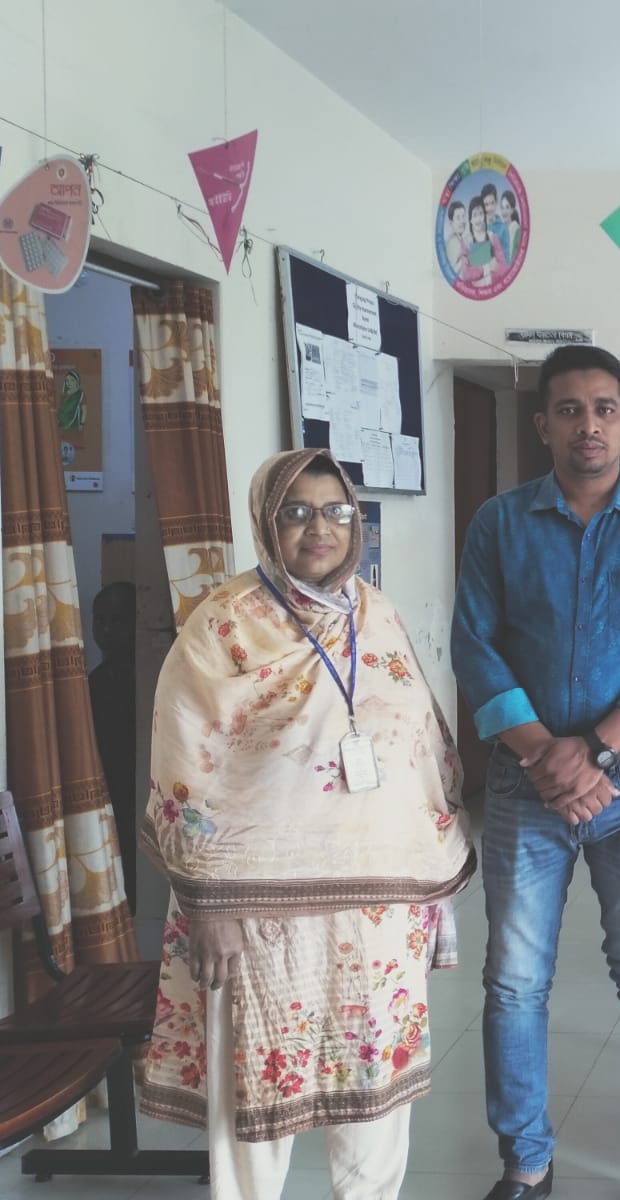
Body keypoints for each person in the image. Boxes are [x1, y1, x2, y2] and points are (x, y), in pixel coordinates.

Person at [140, 449, 474, 1200]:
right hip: (257, 910)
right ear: (267, 522)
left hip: (377, 904)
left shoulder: (377, 613)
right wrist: (209, 907)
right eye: (295, 512)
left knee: (376, 1095)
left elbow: (422, 746)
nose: (318, 527)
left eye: (335, 511)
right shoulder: (223, 624)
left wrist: (430, 885)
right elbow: (182, 767)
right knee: (256, 1096)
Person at [452, 344, 620, 1200]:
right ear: (544, 425)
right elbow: (474, 645)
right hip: (524, 783)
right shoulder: (498, 523)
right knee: (514, 980)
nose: (588, 425)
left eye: (604, 409)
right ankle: (525, 1162)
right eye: (570, 410)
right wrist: (542, 752)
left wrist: (594, 749)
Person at [88, 581, 137, 912]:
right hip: (107, 793)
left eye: (118, 621)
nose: (106, 631)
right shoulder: (94, 683)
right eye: (101, 620)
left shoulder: (149, 679)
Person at [458, 197, 509, 288]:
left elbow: (504, 269)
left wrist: (479, 271)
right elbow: (466, 275)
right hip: (474, 292)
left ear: (484, 216)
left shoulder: (493, 237)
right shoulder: (466, 242)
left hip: (493, 289)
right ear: (470, 219)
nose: (478, 219)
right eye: (475, 215)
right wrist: (487, 267)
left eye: (481, 214)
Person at [443, 200, 469, 278]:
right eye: (458, 218)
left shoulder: (460, 239)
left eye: (463, 216)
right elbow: (450, 273)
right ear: (451, 223)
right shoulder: (453, 242)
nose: (462, 221)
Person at [497, 190, 522, 264]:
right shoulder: (501, 230)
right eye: (502, 207)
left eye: (507, 207)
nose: (504, 211)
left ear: (512, 210)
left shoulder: (517, 231)